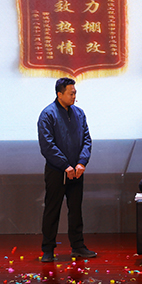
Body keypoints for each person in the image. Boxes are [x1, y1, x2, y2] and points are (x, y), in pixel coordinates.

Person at [37, 77, 95, 262]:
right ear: (59, 94)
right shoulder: (48, 114)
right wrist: (65, 165)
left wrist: (81, 162)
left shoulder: (79, 113)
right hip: (57, 171)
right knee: (52, 210)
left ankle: (78, 246)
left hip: (77, 171)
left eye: (75, 93)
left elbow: (86, 140)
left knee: (76, 210)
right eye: (71, 93)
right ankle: (48, 249)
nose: (74, 96)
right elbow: (47, 146)